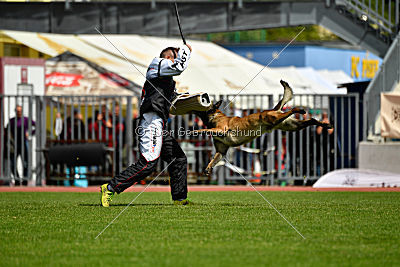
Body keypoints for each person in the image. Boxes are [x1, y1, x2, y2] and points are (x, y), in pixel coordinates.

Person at [100, 44, 192, 207]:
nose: (178, 58)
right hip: (151, 122)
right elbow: (180, 67)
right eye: (176, 55)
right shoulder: (158, 63)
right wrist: (186, 50)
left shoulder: (167, 80)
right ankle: (110, 187)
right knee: (148, 164)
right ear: (168, 58)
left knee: (178, 158)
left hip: (159, 124)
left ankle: (179, 199)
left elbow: (175, 102)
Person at [7, 105, 35, 182]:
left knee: (25, 163)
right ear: (15, 111)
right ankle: (17, 179)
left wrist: (30, 133)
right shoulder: (12, 121)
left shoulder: (26, 119)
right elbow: (7, 131)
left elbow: (36, 125)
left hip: (24, 143)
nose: (19, 112)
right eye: (17, 111)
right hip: (14, 145)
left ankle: (25, 180)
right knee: (12, 164)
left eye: (20, 111)